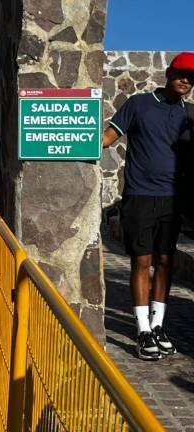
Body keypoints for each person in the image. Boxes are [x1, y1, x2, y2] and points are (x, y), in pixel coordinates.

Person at [102, 52, 194, 361]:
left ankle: (157, 327)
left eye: (192, 77)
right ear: (168, 73)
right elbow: (107, 138)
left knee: (166, 261)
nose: (186, 80)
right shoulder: (138, 104)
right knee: (141, 262)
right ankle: (142, 330)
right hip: (140, 197)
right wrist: (72, 142)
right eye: (182, 73)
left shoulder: (190, 115)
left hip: (173, 198)